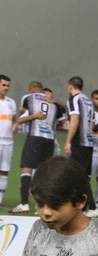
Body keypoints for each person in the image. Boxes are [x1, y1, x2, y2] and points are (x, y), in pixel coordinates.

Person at [11, 82, 60, 214]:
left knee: (26, 168)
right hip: (49, 139)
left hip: (35, 137)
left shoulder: (29, 97)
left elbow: (21, 115)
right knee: (43, 172)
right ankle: (44, 205)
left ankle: (24, 204)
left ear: (31, 89)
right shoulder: (54, 103)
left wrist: (32, 116)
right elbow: (62, 124)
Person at [64, 76, 98, 217]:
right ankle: (87, 208)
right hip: (89, 143)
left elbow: (75, 120)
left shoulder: (74, 100)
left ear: (70, 86)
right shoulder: (88, 101)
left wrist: (68, 141)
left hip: (79, 143)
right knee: (83, 177)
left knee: (76, 176)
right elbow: (91, 124)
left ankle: (88, 207)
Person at [0, 74, 16, 209]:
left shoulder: (11, 102)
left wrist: (16, 125)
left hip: (8, 142)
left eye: (8, 86)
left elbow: (15, 119)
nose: (6, 88)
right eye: (3, 85)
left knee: (4, 171)